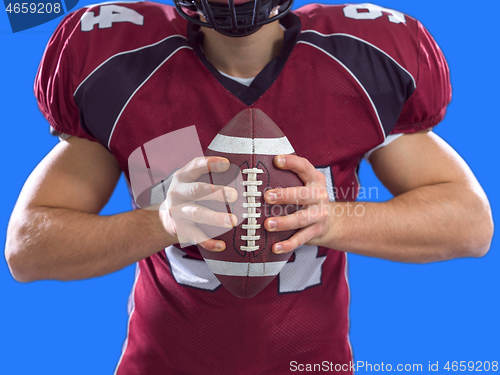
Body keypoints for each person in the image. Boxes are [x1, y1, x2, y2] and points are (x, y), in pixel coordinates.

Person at [5, 0, 493, 373]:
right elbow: (26, 249)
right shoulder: (124, 69)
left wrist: (335, 218)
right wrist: (162, 222)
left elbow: (471, 225)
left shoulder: (359, 65)